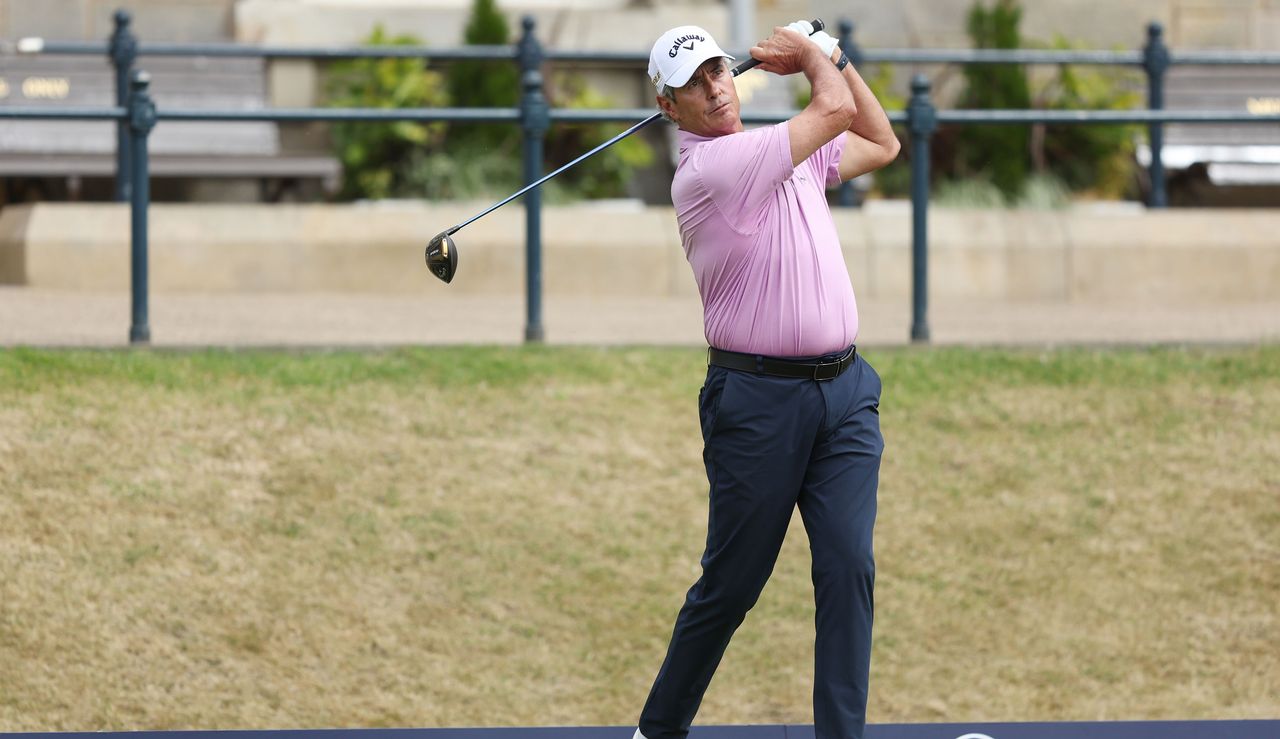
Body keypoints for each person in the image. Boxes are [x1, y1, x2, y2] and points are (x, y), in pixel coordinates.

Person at [632, 20, 900, 739]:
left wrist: (839, 57)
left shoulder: (780, 148)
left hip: (845, 394)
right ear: (669, 107)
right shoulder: (711, 170)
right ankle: (656, 731)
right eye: (693, 83)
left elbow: (880, 141)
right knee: (732, 584)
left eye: (719, 71)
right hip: (758, 402)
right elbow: (834, 110)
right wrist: (813, 55)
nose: (715, 89)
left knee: (849, 567)